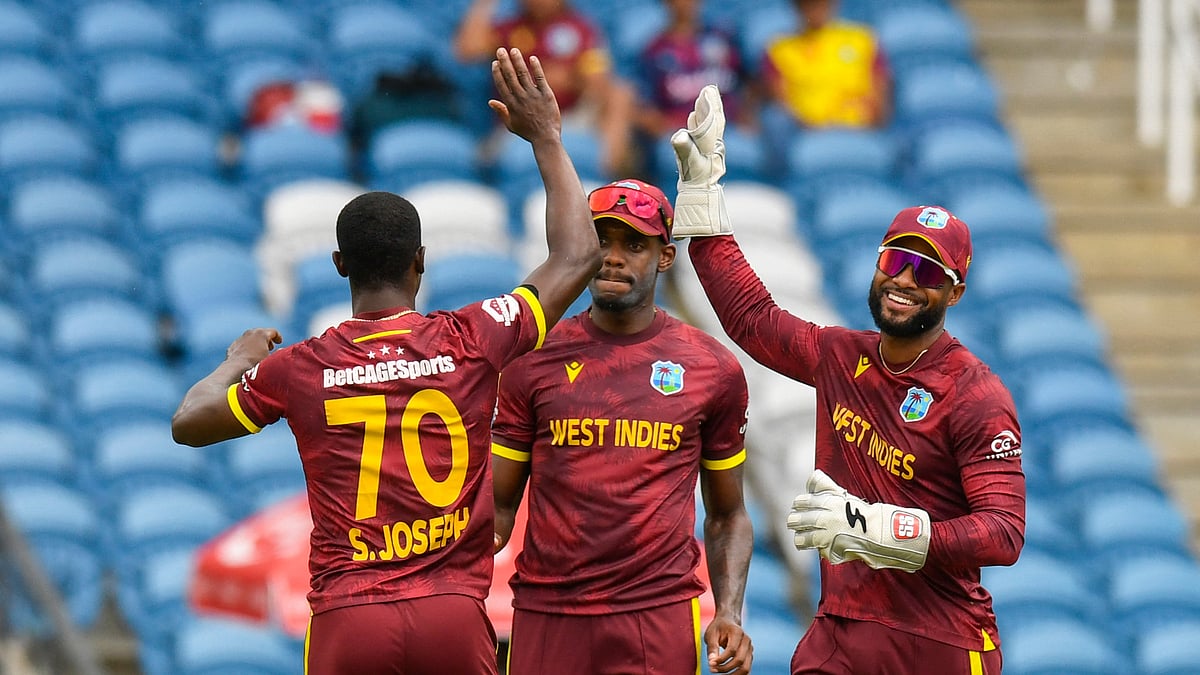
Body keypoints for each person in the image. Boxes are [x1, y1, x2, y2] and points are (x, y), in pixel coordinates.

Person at [170, 48, 602, 674]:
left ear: (340, 264)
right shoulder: (473, 337)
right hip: (452, 613)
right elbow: (577, 257)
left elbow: (188, 422)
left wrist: (234, 361)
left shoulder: (299, 368)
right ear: (420, 261)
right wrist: (547, 138)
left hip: (350, 617)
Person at [670, 85, 1025, 674]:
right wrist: (703, 204)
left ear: (956, 292)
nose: (905, 281)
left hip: (940, 640)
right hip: (841, 627)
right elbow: (752, 319)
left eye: (927, 271)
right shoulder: (841, 356)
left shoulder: (977, 394)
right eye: (895, 261)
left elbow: (1003, 533)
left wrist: (881, 528)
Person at [491, 177, 755, 674]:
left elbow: (728, 516)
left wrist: (729, 612)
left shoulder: (711, 369)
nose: (613, 257)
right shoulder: (532, 359)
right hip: (548, 615)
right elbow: (499, 507)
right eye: (602, 242)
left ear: (665, 257)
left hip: (654, 617)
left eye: (634, 244)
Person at [453, 0, 635, 175]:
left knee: (621, 94)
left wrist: (571, 78)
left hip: (572, 118)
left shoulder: (581, 28)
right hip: (520, 122)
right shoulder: (509, 29)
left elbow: (599, 82)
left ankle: (604, 174)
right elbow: (468, 50)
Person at [760, 0, 891, 130]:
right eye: (808, 4)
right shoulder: (778, 48)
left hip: (860, 128)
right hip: (806, 133)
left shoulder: (863, 39)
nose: (816, 10)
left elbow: (880, 96)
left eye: (821, 3)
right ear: (795, 6)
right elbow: (782, 104)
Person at [634, 0, 748, 139]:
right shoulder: (655, 51)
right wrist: (662, 125)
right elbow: (644, 107)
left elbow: (745, 86)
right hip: (680, 132)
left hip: (726, 128)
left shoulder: (722, 38)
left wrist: (747, 117)